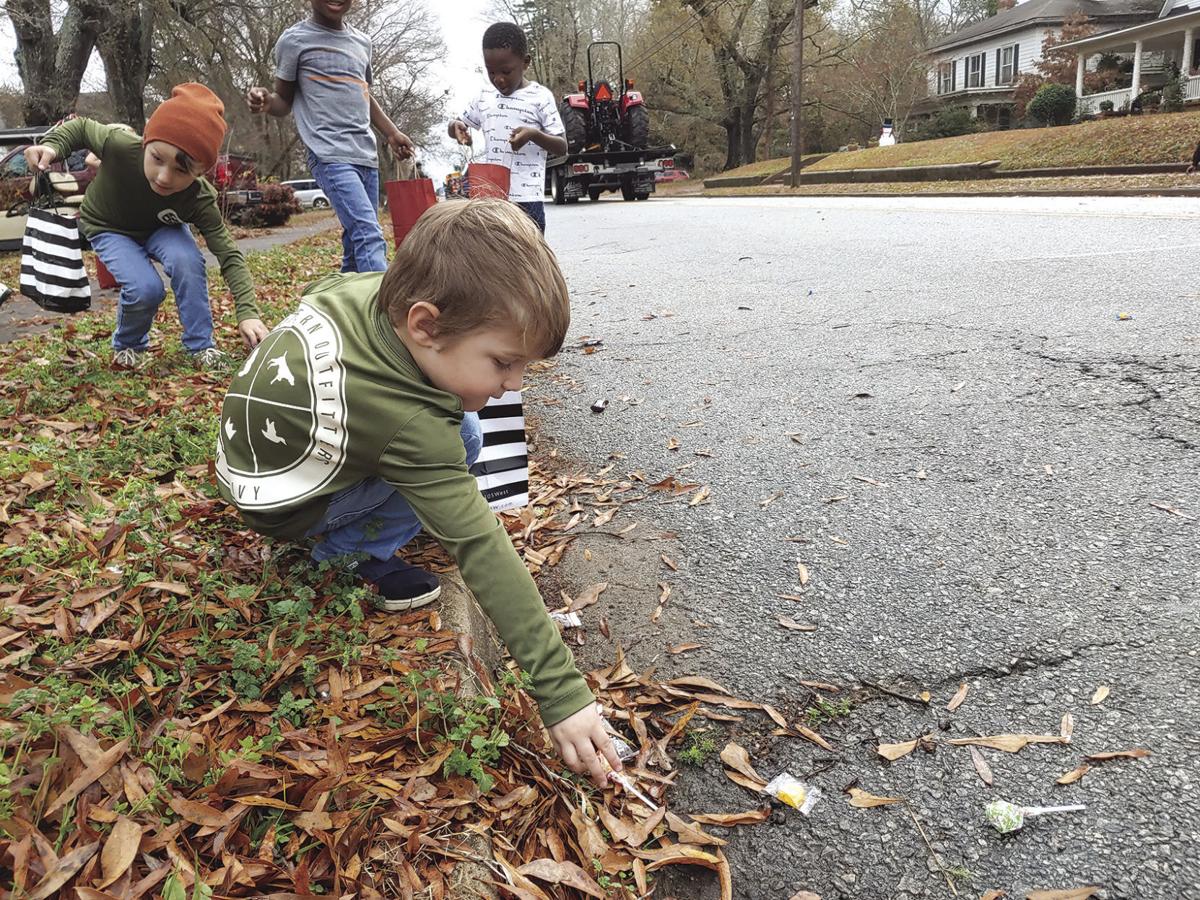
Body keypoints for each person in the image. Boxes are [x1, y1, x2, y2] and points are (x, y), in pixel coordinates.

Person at [215, 198, 621, 787]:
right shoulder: (407, 426)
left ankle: (366, 516)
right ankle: (350, 553)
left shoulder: (365, 290)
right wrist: (561, 694)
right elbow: (479, 544)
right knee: (460, 439)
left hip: (245, 467)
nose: (512, 384)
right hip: (284, 507)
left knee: (463, 429)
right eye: (503, 362)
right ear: (425, 325)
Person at [25, 84, 268, 370]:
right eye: (157, 159)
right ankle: (129, 345)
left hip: (159, 227)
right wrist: (52, 146)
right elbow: (80, 128)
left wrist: (248, 312)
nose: (164, 177)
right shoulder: (119, 145)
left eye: (181, 170)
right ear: (145, 143)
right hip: (108, 225)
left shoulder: (199, 198)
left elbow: (229, 254)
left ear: (201, 172)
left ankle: (201, 346)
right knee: (145, 288)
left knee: (187, 261)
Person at [245, 0, 414, 274]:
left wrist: (392, 132)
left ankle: (343, 296)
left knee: (356, 245)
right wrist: (266, 101)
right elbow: (283, 101)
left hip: (365, 155)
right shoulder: (294, 40)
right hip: (328, 154)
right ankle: (381, 301)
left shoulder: (362, 42)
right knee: (368, 234)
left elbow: (363, 93)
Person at [448, 22, 567, 233]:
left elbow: (562, 147)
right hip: (492, 199)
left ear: (525, 62)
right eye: (491, 71)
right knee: (493, 251)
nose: (498, 79)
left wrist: (533, 135)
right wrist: (454, 126)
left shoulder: (540, 97)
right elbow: (459, 124)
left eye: (506, 71)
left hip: (528, 201)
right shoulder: (484, 97)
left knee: (530, 252)